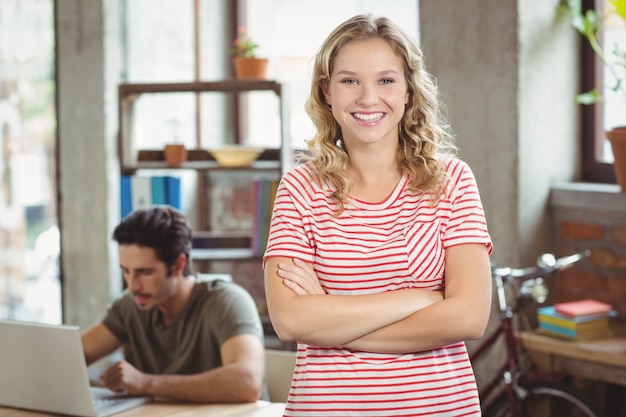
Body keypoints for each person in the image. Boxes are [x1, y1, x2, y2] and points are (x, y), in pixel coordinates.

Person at [263, 14, 493, 416]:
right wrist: (419, 299)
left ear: (408, 91)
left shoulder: (452, 181)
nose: (368, 98)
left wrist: (331, 316)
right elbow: (291, 320)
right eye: (350, 80)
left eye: (386, 80)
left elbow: (469, 316)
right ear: (327, 91)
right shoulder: (299, 188)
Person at [82, 206, 266, 403]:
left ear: (178, 265)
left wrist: (146, 383)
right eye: (126, 271)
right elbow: (73, 357)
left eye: (145, 272)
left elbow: (247, 383)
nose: (133, 285)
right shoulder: (130, 305)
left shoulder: (227, 302)